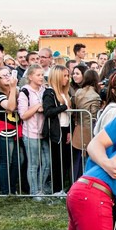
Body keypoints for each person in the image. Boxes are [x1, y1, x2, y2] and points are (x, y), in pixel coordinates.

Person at [18, 64, 50, 201]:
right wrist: (37, 106)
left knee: (47, 162)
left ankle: (42, 188)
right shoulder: (25, 91)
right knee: (33, 164)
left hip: (44, 131)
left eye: (42, 75)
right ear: (30, 76)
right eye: (38, 75)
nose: (41, 77)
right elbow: (23, 114)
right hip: (30, 133)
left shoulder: (45, 90)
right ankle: (34, 191)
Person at [0, 67, 21, 195]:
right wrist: (13, 89)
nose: (8, 77)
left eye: (9, 74)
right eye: (4, 76)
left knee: (18, 160)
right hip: (4, 131)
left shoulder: (18, 91)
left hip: (17, 130)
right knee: (5, 161)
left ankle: (13, 188)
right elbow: (10, 107)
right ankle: (4, 190)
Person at [42, 66, 72, 195]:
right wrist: (63, 107)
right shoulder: (49, 92)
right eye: (64, 76)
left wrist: (70, 130)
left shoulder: (65, 93)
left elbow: (69, 114)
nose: (67, 78)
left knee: (65, 160)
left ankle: (60, 188)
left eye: (67, 75)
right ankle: (56, 189)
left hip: (65, 129)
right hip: (55, 130)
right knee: (56, 160)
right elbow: (48, 111)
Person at [71, 69, 101, 180]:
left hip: (78, 127)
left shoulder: (78, 92)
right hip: (90, 130)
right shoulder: (96, 96)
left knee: (77, 159)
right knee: (89, 159)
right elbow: (95, 115)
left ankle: (76, 181)